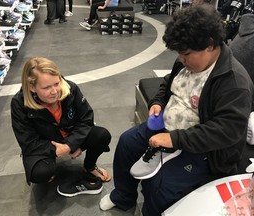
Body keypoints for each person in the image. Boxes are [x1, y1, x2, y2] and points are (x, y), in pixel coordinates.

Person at [99, 4, 254, 216]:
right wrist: (157, 103)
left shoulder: (234, 82)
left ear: (209, 45)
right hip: (167, 128)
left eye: (186, 54)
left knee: (160, 185)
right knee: (127, 142)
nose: (181, 59)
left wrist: (173, 140)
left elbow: (226, 131)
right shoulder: (187, 62)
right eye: (179, 53)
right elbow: (167, 83)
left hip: (203, 149)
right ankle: (123, 197)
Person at [11, 57, 112, 197]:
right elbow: (28, 142)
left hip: (70, 136)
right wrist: (56, 149)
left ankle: (90, 166)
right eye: (46, 87)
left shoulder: (70, 88)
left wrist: (70, 144)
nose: (54, 91)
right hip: (46, 142)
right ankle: (49, 170)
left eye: (56, 83)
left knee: (102, 135)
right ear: (32, 87)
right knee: (40, 173)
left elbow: (86, 119)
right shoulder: (19, 104)